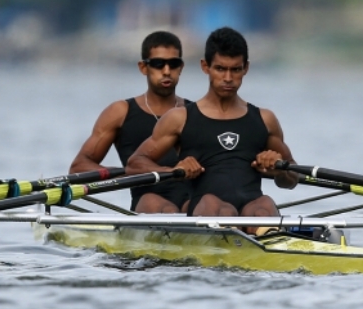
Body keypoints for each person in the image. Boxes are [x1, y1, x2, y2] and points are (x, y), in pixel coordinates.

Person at [125, 27, 298, 224]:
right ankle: (246, 235)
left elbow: (292, 178)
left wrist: (281, 171)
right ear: (205, 66)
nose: (228, 78)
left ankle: (266, 236)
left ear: (246, 68)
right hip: (207, 209)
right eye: (220, 69)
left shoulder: (265, 119)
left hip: (253, 210)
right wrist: (173, 171)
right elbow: (134, 163)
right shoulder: (180, 118)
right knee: (214, 205)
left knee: (264, 204)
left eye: (235, 69)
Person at [69, 30, 190, 213]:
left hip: (191, 202)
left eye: (173, 64)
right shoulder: (120, 112)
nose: (166, 71)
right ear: (143, 67)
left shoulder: (195, 112)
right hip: (148, 203)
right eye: (158, 64)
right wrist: (131, 172)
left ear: (181, 67)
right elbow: (78, 167)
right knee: (158, 205)